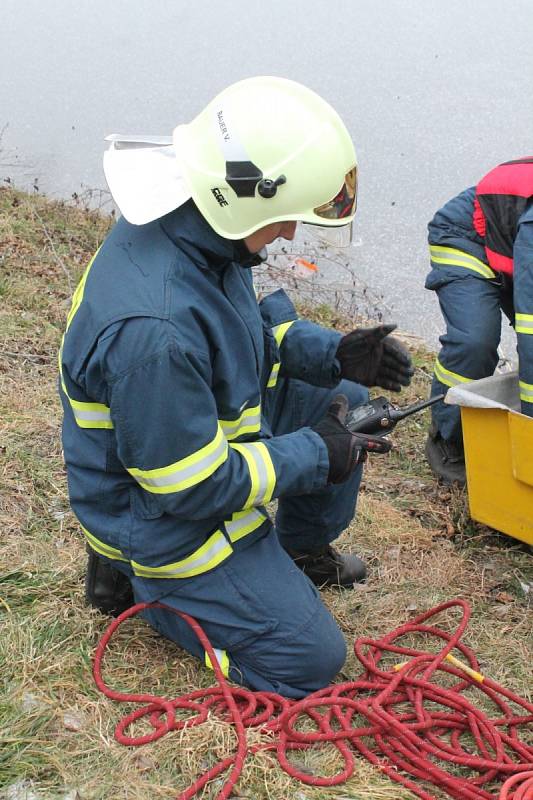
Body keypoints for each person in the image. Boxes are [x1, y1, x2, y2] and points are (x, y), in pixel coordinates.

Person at [59, 77, 413, 699]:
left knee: (348, 407)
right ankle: (144, 587)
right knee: (309, 661)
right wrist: (313, 452)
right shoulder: (157, 331)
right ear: (244, 199)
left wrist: (335, 354)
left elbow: (242, 348)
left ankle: (297, 556)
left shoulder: (197, 232)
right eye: (283, 219)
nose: (289, 236)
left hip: (173, 450)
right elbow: (191, 486)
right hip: (160, 515)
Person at [425, 157, 533, 485]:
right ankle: (448, 437)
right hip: (467, 239)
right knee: (475, 342)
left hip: (512, 246)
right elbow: (530, 333)